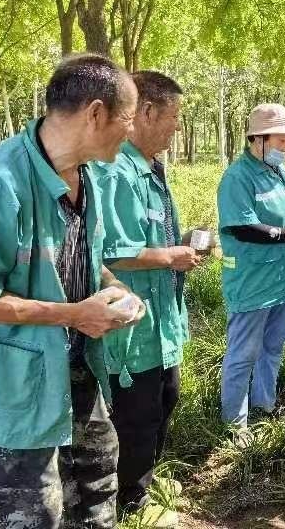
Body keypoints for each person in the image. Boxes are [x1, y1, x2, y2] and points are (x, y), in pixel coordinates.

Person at [0, 54, 145, 528]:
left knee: (96, 489)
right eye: (128, 119)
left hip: (76, 368)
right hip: (11, 384)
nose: (130, 132)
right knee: (35, 515)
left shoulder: (91, 176)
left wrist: (116, 291)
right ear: (95, 114)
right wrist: (73, 315)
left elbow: (86, 264)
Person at [93, 71, 203, 524]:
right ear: (147, 111)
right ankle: (128, 503)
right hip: (131, 327)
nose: (177, 127)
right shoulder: (116, 172)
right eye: (174, 117)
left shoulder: (151, 169)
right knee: (135, 418)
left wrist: (177, 253)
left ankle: (144, 482)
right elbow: (111, 253)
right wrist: (168, 257)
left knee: (165, 399)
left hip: (162, 321)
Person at [217, 103, 285, 436]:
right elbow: (244, 228)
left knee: (273, 346)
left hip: (283, 281)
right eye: (281, 141)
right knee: (243, 353)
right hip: (253, 282)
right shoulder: (238, 177)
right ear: (258, 139)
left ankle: (264, 404)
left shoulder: (279, 172)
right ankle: (234, 425)